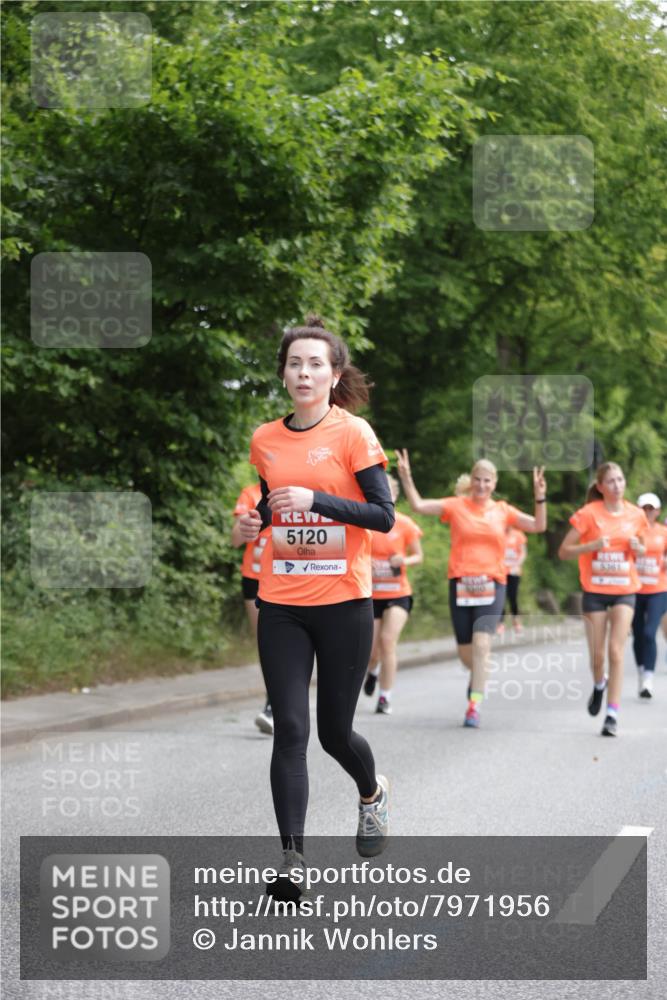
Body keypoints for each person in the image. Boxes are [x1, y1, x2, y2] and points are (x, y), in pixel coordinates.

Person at [238, 314, 394, 901]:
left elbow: (383, 516)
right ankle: (292, 859)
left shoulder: (354, 434)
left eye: (315, 364)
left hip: (344, 603)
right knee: (290, 730)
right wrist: (261, 518)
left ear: (334, 375)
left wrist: (318, 500)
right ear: (283, 374)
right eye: (294, 363)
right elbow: (273, 503)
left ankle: (372, 793)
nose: (304, 373)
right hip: (281, 603)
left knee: (334, 733)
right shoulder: (265, 438)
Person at [395, 451, 547, 728]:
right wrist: (406, 476)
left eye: (487, 481)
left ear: (494, 483)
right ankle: (478, 675)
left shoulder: (503, 511)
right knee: (468, 653)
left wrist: (539, 497)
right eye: (477, 479)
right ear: (472, 481)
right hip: (461, 583)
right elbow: (417, 505)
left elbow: (539, 525)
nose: (481, 485)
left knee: (481, 644)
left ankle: (474, 705)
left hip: (493, 583)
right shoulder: (456, 506)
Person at [558, 463, 648, 737]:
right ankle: (599, 683)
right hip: (595, 592)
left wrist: (638, 548)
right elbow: (564, 551)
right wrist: (591, 546)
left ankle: (612, 714)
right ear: (600, 487)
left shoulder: (636, 514)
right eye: (610, 481)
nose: (617, 485)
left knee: (616, 651)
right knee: (597, 656)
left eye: (620, 479)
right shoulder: (588, 514)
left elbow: (643, 549)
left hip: (624, 589)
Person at [363, 473, 424, 715]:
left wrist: (404, 559)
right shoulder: (365, 521)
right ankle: (372, 670)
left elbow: (419, 556)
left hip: (398, 592)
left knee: (388, 641)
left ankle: (385, 697)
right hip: (371, 593)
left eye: (388, 490)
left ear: (395, 495)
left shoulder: (405, 524)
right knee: (371, 651)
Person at [231, 483, 273, 734]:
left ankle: (278, 704)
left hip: (288, 579)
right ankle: (273, 703)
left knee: (286, 643)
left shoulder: (298, 489)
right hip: (255, 577)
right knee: (265, 642)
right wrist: (249, 517)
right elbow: (235, 540)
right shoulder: (251, 493)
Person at [631, 493, 667, 699]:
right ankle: (641, 669)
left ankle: (648, 679)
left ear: (658, 511)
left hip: (658, 590)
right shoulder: (632, 531)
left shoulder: (664, 532)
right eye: (644, 508)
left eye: (651, 509)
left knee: (649, 633)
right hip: (634, 590)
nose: (648, 512)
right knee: (637, 634)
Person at [498, 525, 528, 635]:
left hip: (514, 571)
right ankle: (500, 623)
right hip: (500, 571)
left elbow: (523, 552)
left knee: (513, 597)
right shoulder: (498, 532)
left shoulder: (518, 535)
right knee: (501, 597)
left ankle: (516, 622)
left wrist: (517, 564)